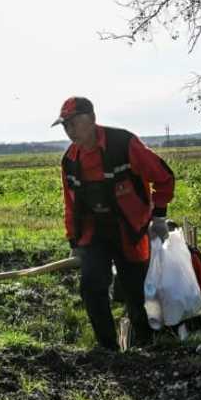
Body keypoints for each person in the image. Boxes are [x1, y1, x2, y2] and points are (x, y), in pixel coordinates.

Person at [54, 96, 175, 350]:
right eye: (65, 126)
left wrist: (159, 216)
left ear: (92, 119)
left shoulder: (123, 143)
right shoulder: (70, 161)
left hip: (129, 230)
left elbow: (164, 177)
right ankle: (108, 349)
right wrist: (74, 241)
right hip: (93, 233)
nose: (70, 130)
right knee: (91, 286)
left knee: (136, 291)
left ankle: (146, 346)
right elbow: (70, 203)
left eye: (73, 123)